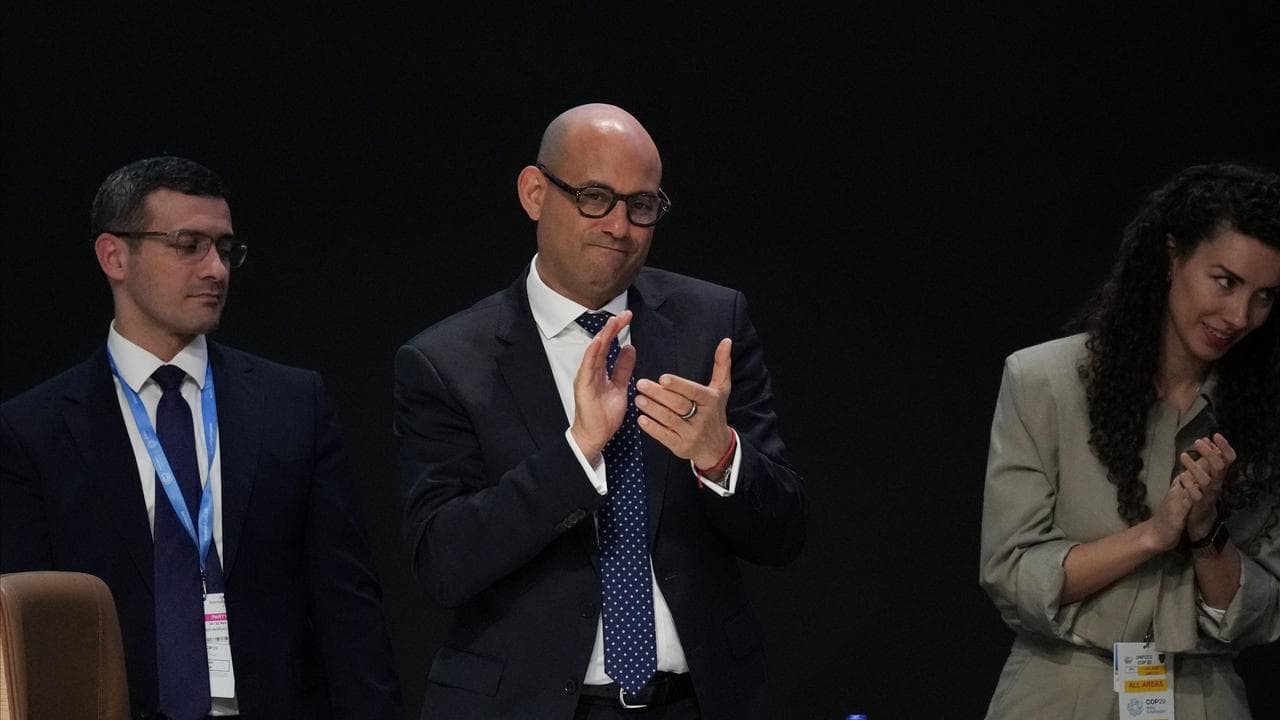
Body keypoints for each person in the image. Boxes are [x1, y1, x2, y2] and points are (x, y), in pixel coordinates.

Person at [393, 103, 808, 719]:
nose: (619, 225)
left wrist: (720, 458)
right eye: (594, 197)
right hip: (529, 705)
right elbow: (443, 564)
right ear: (535, 193)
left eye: (641, 205)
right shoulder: (448, 361)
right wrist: (578, 451)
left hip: (698, 701)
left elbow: (784, 534)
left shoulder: (712, 324)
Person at [0, 157, 402, 719]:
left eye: (226, 248)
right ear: (114, 255)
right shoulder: (34, 430)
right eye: (188, 245)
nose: (216, 269)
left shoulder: (292, 404)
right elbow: (32, 629)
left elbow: (348, 607)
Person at [979, 162, 1280, 719]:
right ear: (1171, 257)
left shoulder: (1266, 417)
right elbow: (1012, 573)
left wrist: (1204, 531)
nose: (1240, 316)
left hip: (1203, 696)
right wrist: (1152, 536)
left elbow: (1263, 612)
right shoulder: (1043, 381)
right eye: (1226, 281)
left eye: (1265, 296)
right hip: (1060, 689)